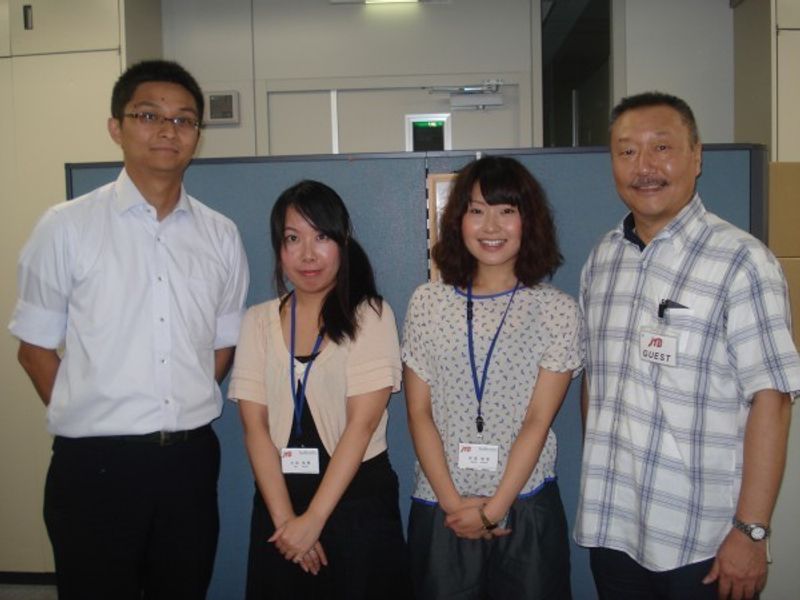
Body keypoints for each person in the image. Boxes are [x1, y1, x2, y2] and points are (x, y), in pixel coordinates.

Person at [8, 60, 250, 599]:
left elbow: (222, 343)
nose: (168, 130)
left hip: (188, 463)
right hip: (94, 465)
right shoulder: (66, 226)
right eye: (149, 115)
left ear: (197, 137)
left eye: (184, 120)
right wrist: (93, 414)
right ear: (117, 127)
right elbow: (35, 349)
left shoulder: (220, 235)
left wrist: (174, 409)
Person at [575, 91, 800, 600]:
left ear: (696, 158)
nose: (644, 166)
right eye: (627, 151)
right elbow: (596, 381)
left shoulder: (742, 261)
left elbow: (773, 400)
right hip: (612, 526)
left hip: (704, 541)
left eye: (662, 147)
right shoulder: (603, 259)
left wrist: (751, 531)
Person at [402, 155, 581, 599]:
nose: (491, 226)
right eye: (476, 210)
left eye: (506, 211)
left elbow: (538, 420)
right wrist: (453, 504)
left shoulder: (557, 310)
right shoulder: (428, 302)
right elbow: (418, 413)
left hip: (524, 505)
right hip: (442, 504)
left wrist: (494, 509)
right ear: (458, 220)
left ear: (528, 221)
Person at [228, 180, 410, 600]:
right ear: (279, 248)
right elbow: (254, 428)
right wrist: (287, 521)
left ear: (342, 242)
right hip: (280, 502)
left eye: (321, 237)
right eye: (293, 239)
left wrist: (313, 520)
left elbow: (360, 426)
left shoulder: (371, 315)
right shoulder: (257, 321)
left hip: (355, 500)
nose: (307, 254)